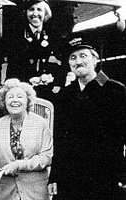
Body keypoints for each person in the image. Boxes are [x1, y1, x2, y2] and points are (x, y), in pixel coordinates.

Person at [48, 36, 126, 200]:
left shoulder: (115, 90)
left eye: (83, 56)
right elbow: (60, 140)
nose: (78, 61)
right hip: (70, 179)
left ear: (95, 59)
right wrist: (54, 175)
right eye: (73, 57)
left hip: (106, 178)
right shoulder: (65, 96)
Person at [5, 0, 65, 101]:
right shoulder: (15, 34)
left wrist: (58, 82)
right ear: (26, 12)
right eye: (31, 10)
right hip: (21, 91)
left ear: (45, 13)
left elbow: (62, 61)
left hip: (47, 91)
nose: (35, 14)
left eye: (39, 10)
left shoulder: (53, 34)